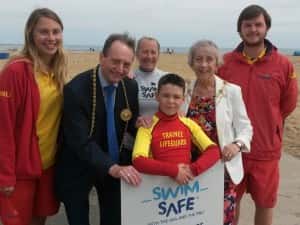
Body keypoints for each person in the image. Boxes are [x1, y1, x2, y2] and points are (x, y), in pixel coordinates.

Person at [218, 5, 298, 225]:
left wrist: (269, 125)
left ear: (266, 27)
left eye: (258, 24)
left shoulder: (283, 64)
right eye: (247, 25)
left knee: (265, 203)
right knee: (230, 203)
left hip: (266, 150)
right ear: (240, 29)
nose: (253, 29)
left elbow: (288, 103)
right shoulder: (225, 63)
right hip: (232, 149)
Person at [54, 33, 142, 225]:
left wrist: (141, 125)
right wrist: (112, 167)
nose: (120, 69)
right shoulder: (76, 90)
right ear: (102, 57)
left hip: (115, 164)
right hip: (78, 164)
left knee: (114, 219)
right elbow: (79, 141)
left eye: (126, 64)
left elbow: (130, 126)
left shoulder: (131, 86)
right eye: (115, 61)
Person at [0, 8, 67, 225]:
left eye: (56, 32)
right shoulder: (16, 71)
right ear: (31, 34)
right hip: (20, 168)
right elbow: (3, 126)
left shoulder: (58, 69)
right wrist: (5, 175)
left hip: (48, 164)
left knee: (39, 220)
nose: (51, 38)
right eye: (44, 32)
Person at [183, 40, 253, 225]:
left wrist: (237, 144)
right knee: (192, 218)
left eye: (209, 59)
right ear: (191, 62)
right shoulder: (184, 90)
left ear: (217, 63)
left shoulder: (231, 91)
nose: (204, 64)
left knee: (221, 219)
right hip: (190, 169)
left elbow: (245, 127)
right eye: (198, 59)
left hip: (222, 169)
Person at [132, 73, 221, 185]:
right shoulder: (147, 127)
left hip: (186, 187)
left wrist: (192, 170)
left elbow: (213, 151)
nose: (171, 101)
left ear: (183, 99)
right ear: (157, 96)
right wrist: (174, 171)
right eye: (166, 96)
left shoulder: (189, 124)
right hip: (156, 191)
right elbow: (138, 161)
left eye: (176, 97)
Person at [134, 37, 167, 117]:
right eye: (145, 52)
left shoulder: (166, 78)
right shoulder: (129, 78)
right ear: (137, 54)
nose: (149, 56)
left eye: (153, 52)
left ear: (158, 55)